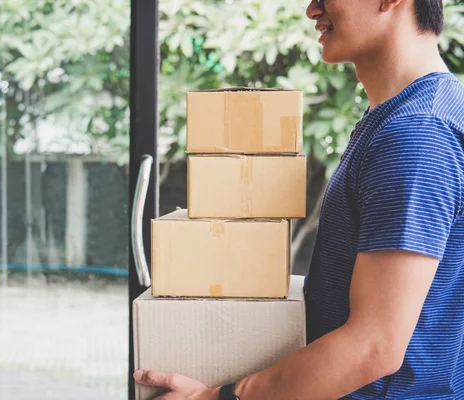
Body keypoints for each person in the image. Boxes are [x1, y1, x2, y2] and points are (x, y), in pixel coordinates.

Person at [133, 0, 464, 398]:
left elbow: (373, 347)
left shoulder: (416, 135)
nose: (312, 9)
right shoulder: (411, 114)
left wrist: (216, 397)